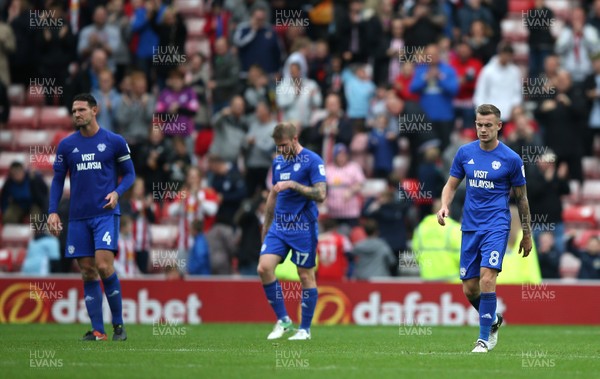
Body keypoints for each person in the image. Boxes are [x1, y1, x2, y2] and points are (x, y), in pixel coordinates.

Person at [437, 103, 532, 353]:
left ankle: (483, 339)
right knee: (469, 288)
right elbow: (450, 185)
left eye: (488, 125)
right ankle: (494, 318)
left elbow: (522, 199)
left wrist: (527, 234)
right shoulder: (464, 153)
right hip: (470, 226)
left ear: (499, 126)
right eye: (479, 124)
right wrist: (444, 206)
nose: (483, 129)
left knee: (488, 277)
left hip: (497, 225)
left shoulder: (511, 159)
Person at [47, 93, 136, 341]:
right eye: (74, 111)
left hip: (105, 214)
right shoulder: (66, 145)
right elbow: (57, 180)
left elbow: (130, 174)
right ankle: (98, 330)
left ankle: (119, 325)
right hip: (78, 218)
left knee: (104, 265)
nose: (77, 114)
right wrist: (53, 211)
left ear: (94, 111)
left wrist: (117, 193)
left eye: (81, 110)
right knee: (87, 272)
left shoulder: (114, 141)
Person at [257, 122, 327, 341]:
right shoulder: (278, 163)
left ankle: (304, 329)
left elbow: (321, 194)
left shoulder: (313, 160)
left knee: (305, 275)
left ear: (295, 139)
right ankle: (284, 321)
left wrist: (294, 185)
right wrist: (266, 226)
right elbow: (274, 194)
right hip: (279, 225)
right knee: (264, 268)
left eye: (284, 145)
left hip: (303, 227)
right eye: (278, 146)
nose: (281, 150)